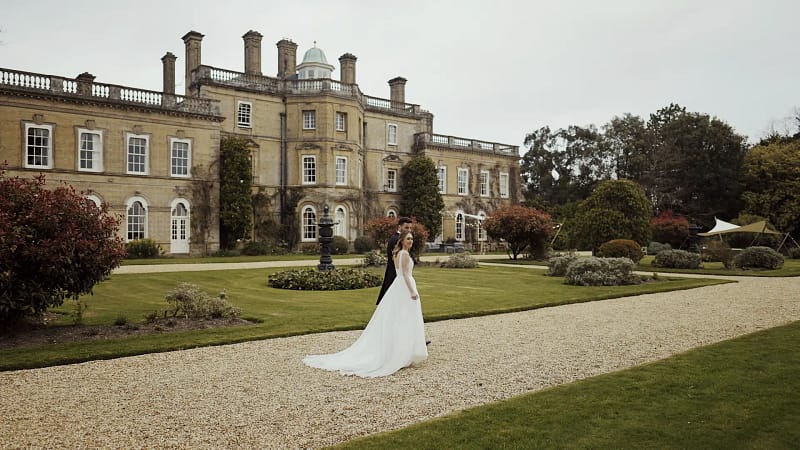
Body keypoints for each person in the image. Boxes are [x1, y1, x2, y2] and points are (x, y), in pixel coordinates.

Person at [303, 231, 427, 377]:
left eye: (412, 238)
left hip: (397, 286)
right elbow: (405, 274)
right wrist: (412, 291)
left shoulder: (397, 253)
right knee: (404, 319)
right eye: (408, 239)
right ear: (402, 240)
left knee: (399, 319)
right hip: (405, 287)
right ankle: (402, 353)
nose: (411, 241)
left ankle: (402, 352)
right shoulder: (404, 254)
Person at [376, 217, 413, 305]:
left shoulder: (398, 238)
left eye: (410, 228)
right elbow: (397, 261)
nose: (409, 230)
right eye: (406, 228)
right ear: (399, 227)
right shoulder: (396, 239)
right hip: (395, 274)